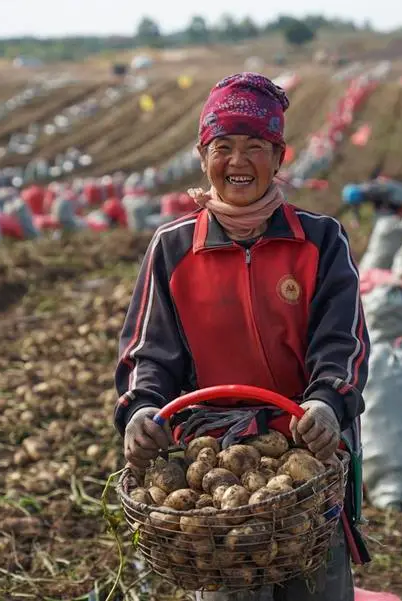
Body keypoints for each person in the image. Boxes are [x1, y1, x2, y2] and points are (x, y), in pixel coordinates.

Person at [113, 73, 371, 601]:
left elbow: (343, 343)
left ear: (278, 157)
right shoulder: (173, 247)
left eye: (255, 146)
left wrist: (326, 403)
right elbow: (149, 352)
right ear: (202, 156)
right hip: (211, 456)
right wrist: (142, 409)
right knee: (228, 583)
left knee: (314, 582)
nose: (238, 161)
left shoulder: (319, 239)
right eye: (223, 146)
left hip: (305, 445)